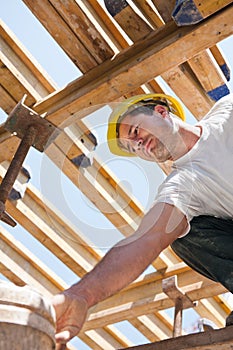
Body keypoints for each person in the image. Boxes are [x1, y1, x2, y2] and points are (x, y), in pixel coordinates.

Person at [52, 93, 233, 348]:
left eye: (135, 130)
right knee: (185, 238)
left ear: (161, 112)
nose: (138, 144)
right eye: (132, 147)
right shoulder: (182, 187)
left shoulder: (226, 111)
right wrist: (81, 295)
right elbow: (147, 239)